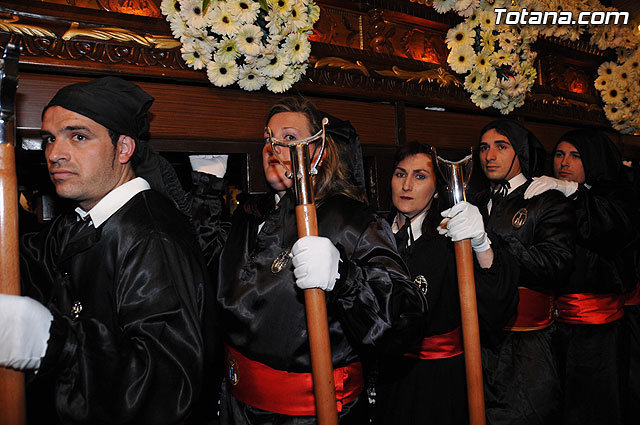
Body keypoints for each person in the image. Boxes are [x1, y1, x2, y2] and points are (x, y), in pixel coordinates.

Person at [189, 96, 427, 424]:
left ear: (319, 152)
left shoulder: (351, 222)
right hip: (235, 407)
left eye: (288, 138)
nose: (272, 146)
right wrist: (207, 187)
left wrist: (345, 277)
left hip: (308, 415)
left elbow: (405, 318)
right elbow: (211, 269)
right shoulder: (249, 216)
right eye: (267, 138)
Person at [0, 77, 209, 425]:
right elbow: (23, 261)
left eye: (78, 136)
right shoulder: (82, 221)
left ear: (124, 149)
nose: (54, 153)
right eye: (50, 139)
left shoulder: (150, 237)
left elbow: (166, 388)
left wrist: (57, 344)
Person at [374, 142, 518, 424]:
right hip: (388, 375)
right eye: (400, 174)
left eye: (419, 176)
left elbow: (495, 304)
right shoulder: (374, 236)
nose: (406, 185)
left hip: (439, 378)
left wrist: (480, 245)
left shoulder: (451, 239)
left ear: (437, 189)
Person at [524, 129, 640, 425]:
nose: (564, 162)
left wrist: (574, 193)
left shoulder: (617, 194)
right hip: (555, 326)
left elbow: (608, 229)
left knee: (597, 406)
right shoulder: (550, 194)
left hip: (600, 332)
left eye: (575, 155)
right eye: (560, 154)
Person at [475, 119, 575, 425]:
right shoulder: (475, 202)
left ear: (519, 151)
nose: (489, 155)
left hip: (527, 345)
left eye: (501, 146)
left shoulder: (545, 199)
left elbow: (557, 264)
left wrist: (492, 244)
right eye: (483, 148)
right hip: (479, 340)